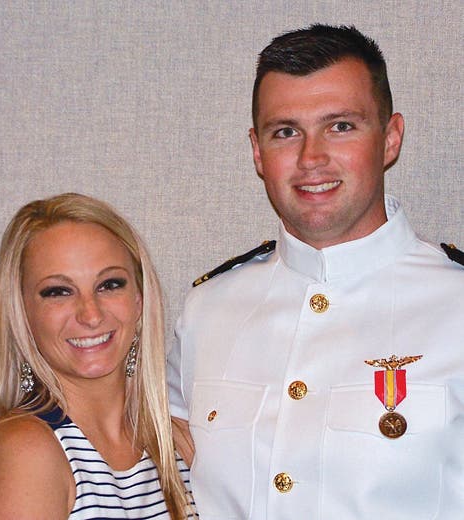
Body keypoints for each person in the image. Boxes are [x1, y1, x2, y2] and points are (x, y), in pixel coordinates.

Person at [167, 24, 464, 519]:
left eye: (340, 126)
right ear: (257, 152)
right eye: (286, 132)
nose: (311, 158)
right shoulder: (208, 312)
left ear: (390, 139)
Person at [0, 193, 195, 519]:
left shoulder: (175, 440)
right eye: (58, 292)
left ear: (139, 300)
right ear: (22, 313)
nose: (90, 314)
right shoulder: (25, 451)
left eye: (109, 285)